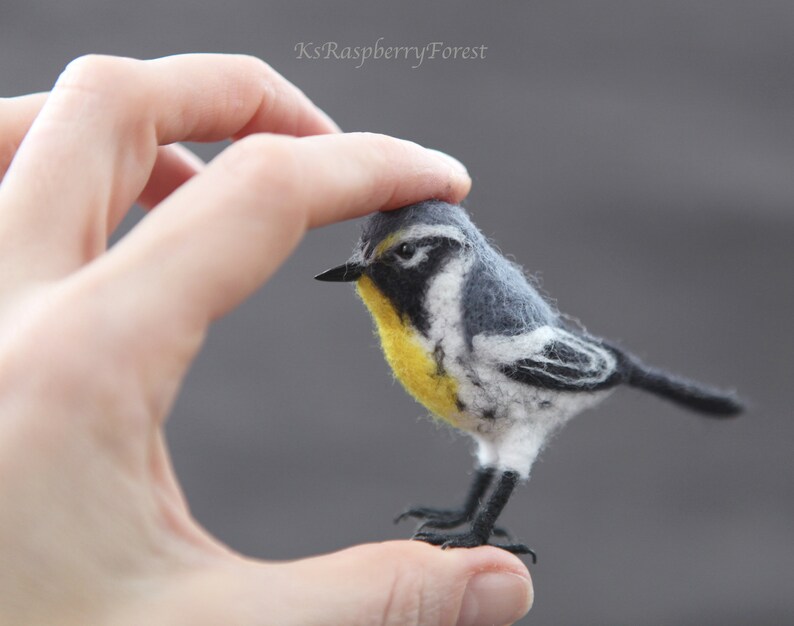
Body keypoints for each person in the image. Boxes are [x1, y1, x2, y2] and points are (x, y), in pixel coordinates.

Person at [0, 53, 532, 626]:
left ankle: (476, 520)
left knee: (504, 447)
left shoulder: (469, 329)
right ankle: (473, 517)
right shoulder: (421, 331)